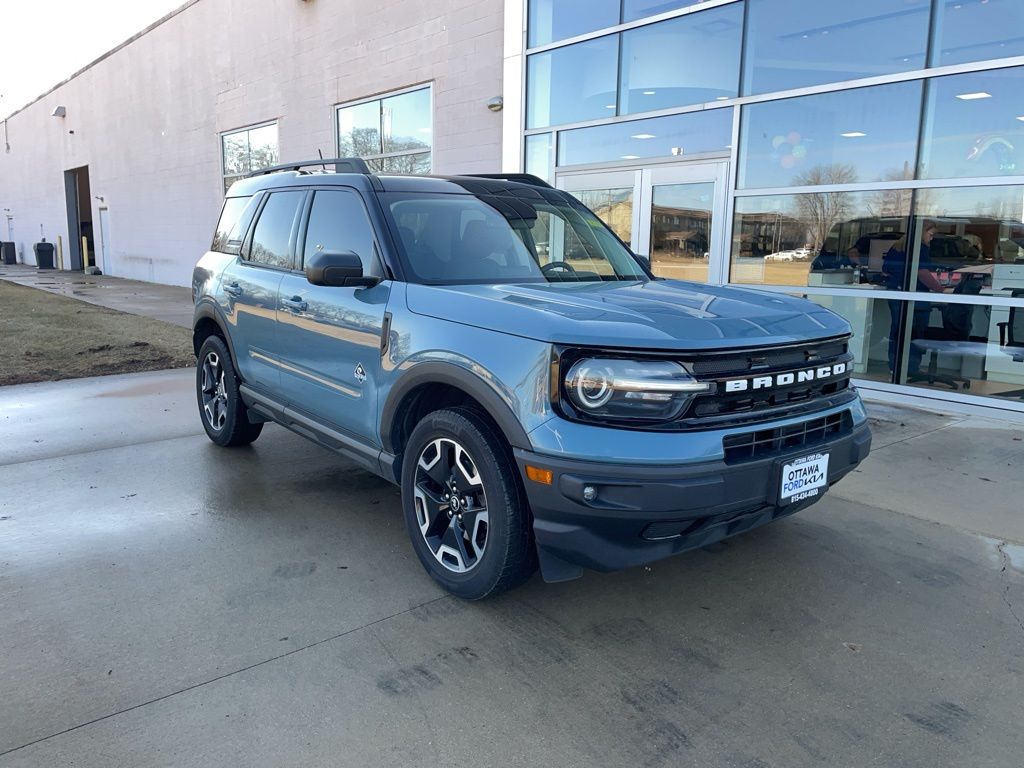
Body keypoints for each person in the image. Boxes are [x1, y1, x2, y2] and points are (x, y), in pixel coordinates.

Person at [884, 221, 942, 377]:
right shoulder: (919, 248)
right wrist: (940, 290)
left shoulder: (896, 247)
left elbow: (886, 270)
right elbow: (922, 273)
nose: (931, 239)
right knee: (915, 332)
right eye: (930, 235)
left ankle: (895, 367)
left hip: (895, 293)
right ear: (922, 233)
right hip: (916, 295)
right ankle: (911, 368)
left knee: (897, 330)